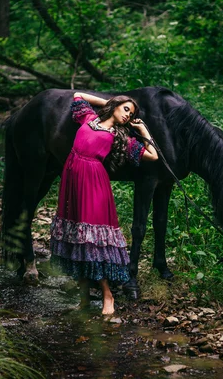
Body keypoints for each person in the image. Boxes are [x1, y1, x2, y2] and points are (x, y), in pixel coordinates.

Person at [50, 92, 158, 315]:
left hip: (94, 182)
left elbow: (153, 155)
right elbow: (78, 95)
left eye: (132, 114)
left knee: (93, 240)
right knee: (77, 237)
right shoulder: (88, 118)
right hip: (72, 178)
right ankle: (84, 299)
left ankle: (107, 295)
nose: (129, 115)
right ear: (116, 105)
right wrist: (110, 102)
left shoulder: (119, 136)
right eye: (126, 109)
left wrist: (142, 129)